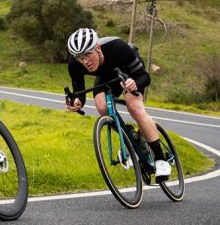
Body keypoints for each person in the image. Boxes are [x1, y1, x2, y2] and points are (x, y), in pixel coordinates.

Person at [65, 27, 171, 179]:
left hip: (131, 73)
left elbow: (145, 77)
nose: (85, 61)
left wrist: (134, 84)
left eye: (88, 54)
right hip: (106, 77)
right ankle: (129, 135)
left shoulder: (117, 47)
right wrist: (76, 102)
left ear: (98, 48)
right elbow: (79, 93)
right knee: (102, 106)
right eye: (80, 57)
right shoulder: (74, 64)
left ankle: (161, 159)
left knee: (134, 106)